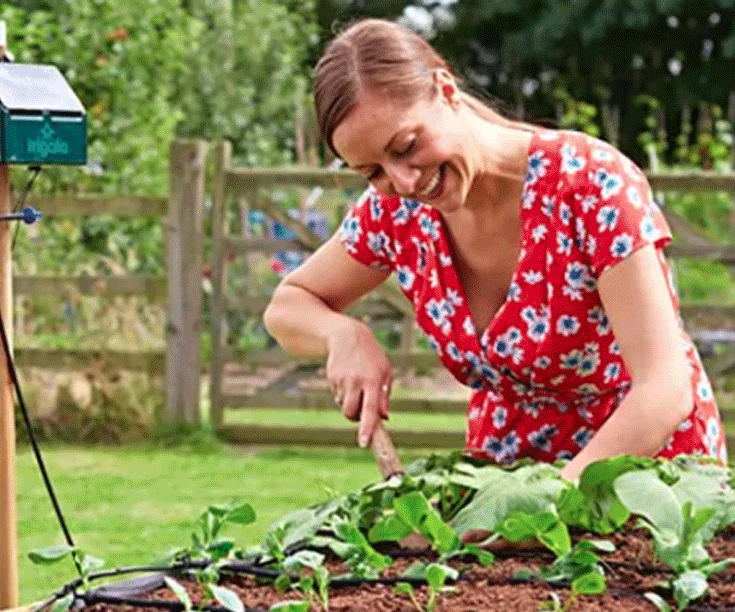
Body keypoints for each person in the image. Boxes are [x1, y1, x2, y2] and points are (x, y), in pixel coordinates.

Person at [263, 18, 726, 485]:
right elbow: (289, 304)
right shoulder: (394, 214)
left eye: (406, 146)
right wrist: (341, 336)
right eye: (373, 172)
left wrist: (547, 506)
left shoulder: (588, 186)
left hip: (646, 479)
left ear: (444, 89)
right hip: (507, 477)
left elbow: (664, 388)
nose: (403, 182)